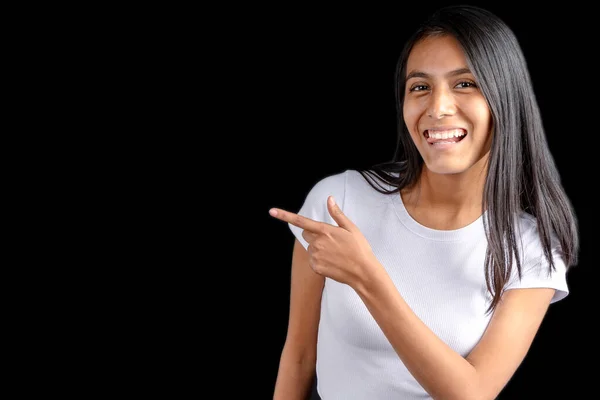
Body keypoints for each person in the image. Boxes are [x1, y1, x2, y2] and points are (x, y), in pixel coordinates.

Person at [269, 4, 579, 400]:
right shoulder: (340, 202)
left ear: (505, 98)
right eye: (420, 87)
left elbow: (471, 394)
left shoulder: (531, 248)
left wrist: (368, 277)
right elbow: (298, 357)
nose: (438, 108)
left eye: (465, 84)